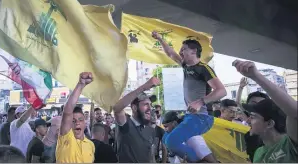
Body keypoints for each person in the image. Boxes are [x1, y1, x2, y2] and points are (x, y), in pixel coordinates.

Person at [152, 31, 226, 162]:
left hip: (202, 118)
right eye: (180, 50)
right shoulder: (185, 66)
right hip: (190, 116)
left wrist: (200, 102)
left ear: (194, 51)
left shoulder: (203, 68)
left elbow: (221, 91)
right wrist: (160, 38)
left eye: (183, 49)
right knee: (165, 137)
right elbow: (170, 53)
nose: (180, 52)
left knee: (171, 141)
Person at [233, 60, 298, 163]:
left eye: (253, 117)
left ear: (269, 123)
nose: (248, 120)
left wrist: (255, 76)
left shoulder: (290, 143)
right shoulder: (259, 152)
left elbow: (295, 114)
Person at [113, 77, 160, 163]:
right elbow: (117, 109)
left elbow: (151, 156)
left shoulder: (150, 130)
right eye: (146, 104)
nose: (150, 108)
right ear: (134, 108)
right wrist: (143, 87)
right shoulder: (126, 125)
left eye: (150, 104)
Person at [56, 72, 95, 163]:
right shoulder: (65, 137)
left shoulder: (90, 145)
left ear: (85, 123)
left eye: (80, 120)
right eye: (73, 121)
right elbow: (67, 111)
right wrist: (81, 84)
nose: (77, 122)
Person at [236, 77, 270, 162]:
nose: (257, 107)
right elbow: (238, 103)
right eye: (254, 103)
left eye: (261, 104)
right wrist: (241, 87)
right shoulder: (247, 116)